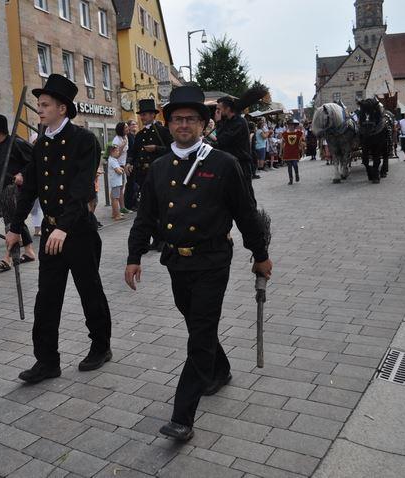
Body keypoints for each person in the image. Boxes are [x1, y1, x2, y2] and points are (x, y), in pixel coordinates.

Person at [124, 85, 272, 441]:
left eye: (191, 119)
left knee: (200, 334)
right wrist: (133, 256)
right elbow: (145, 217)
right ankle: (220, 369)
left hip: (212, 260)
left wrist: (260, 255)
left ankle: (182, 417)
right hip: (176, 261)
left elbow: (246, 213)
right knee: (196, 323)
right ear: (169, 124)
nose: (184, 125)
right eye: (177, 119)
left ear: (204, 124)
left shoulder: (222, 163)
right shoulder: (159, 167)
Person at [6, 73, 112, 383]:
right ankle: (47, 361)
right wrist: (15, 226)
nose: (39, 110)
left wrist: (64, 227)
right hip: (52, 232)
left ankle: (101, 346)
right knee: (47, 298)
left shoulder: (84, 140)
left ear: (62, 108)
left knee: (89, 291)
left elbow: (82, 189)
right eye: (39, 105)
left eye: (44, 105)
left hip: (77, 232)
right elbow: (30, 188)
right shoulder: (41, 144)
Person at [0, 114, 37, 271]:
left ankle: (8, 258)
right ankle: (29, 251)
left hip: (15, 190)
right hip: (1, 192)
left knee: (11, 223)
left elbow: (34, 160)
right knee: (16, 221)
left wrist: (22, 174)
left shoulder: (16, 143)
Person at [129, 98, 173, 250]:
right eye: (141, 114)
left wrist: (156, 148)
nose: (142, 117)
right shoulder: (140, 134)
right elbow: (133, 152)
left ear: (153, 115)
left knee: (160, 208)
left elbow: (172, 149)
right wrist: (129, 162)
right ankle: (155, 238)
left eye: (145, 114)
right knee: (147, 209)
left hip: (159, 175)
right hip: (143, 175)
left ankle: (163, 239)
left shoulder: (162, 131)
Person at [112, 122, 130, 214]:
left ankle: (122, 207)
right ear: (121, 129)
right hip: (117, 166)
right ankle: (115, 211)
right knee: (116, 188)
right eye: (126, 127)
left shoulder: (125, 137)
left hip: (122, 165)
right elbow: (115, 156)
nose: (128, 128)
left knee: (122, 187)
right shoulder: (116, 140)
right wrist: (122, 146)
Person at [282, 119, 305, 185]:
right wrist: (281, 151)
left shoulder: (298, 133)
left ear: (294, 125)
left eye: (292, 125)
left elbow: (301, 143)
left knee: (295, 164)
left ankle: (296, 174)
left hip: (295, 150)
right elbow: (282, 143)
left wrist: (302, 151)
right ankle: (290, 179)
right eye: (289, 125)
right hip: (287, 151)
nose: (291, 126)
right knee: (289, 166)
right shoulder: (285, 133)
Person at [124, 119, 139, 211]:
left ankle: (133, 202)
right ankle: (129, 204)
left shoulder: (135, 136)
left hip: (135, 163)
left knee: (134, 184)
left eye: (135, 124)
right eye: (132, 124)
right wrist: (129, 163)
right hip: (130, 163)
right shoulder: (129, 137)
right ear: (129, 127)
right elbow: (130, 151)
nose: (134, 126)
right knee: (131, 184)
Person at [107, 144, 125, 220]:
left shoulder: (113, 159)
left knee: (113, 197)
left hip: (115, 182)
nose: (118, 152)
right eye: (117, 151)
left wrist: (120, 169)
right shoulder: (112, 161)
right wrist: (122, 170)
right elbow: (118, 171)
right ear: (112, 152)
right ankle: (117, 215)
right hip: (116, 182)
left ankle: (114, 213)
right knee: (115, 199)